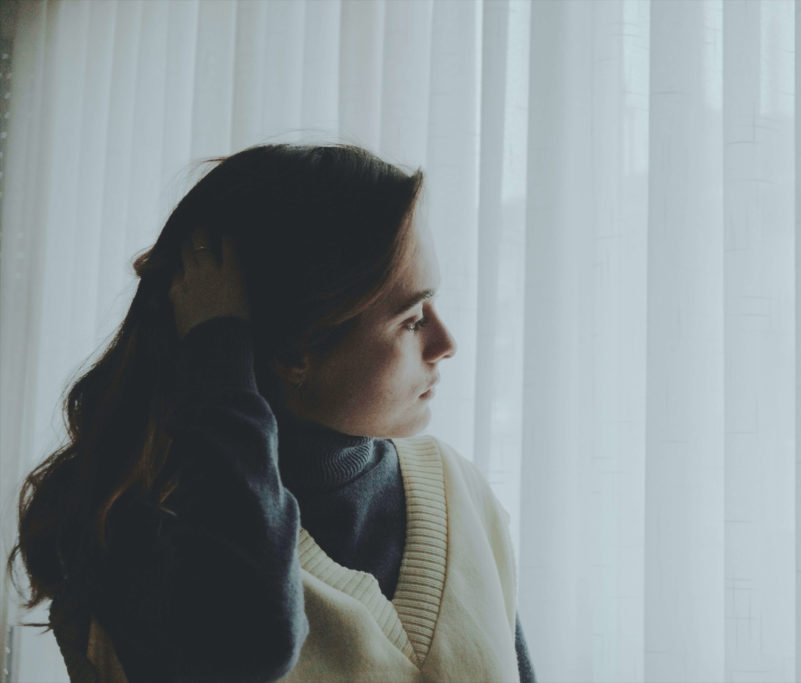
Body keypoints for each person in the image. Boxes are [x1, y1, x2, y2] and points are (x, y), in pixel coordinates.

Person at [9, 143, 535, 682]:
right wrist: (219, 353)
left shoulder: (458, 490)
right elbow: (254, 642)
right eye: (411, 318)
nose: (446, 342)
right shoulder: (144, 529)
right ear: (293, 355)